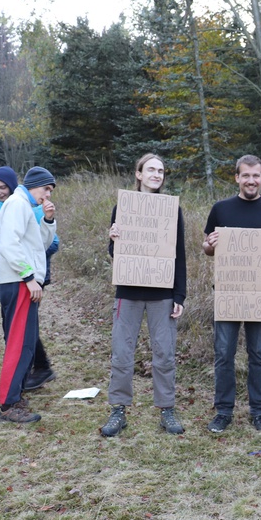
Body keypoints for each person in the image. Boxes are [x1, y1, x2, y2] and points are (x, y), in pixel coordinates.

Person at [203, 155, 261, 432]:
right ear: (237, 178)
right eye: (245, 176)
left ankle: (259, 412)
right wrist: (210, 243)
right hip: (228, 291)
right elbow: (206, 246)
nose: (251, 180)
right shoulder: (221, 209)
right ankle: (223, 411)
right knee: (223, 353)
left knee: (259, 354)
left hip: (259, 294)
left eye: (256, 175)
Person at [100, 154, 187, 437]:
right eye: (151, 169)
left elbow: (180, 255)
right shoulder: (122, 207)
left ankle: (167, 409)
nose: (156, 174)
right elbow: (117, 254)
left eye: (161, 170)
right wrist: (113, 240)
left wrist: (180, 295)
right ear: (138, 174)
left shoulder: (173, 211)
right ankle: (118, 410)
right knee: (122, 353)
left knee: (164, 353)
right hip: (128, 291)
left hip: (162, 293)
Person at [0, 166, 58, 391]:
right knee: (19, 341)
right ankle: (11, 399)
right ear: (35, 185)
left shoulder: (27, 206)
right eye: (47, 190)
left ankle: (19, 389)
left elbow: (40, 246)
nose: (48, 196)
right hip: (17, 281)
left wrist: (48, 220)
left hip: (23, 280)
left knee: (25, 340)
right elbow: (8, 244)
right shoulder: (17, 204)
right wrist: (28, 277)